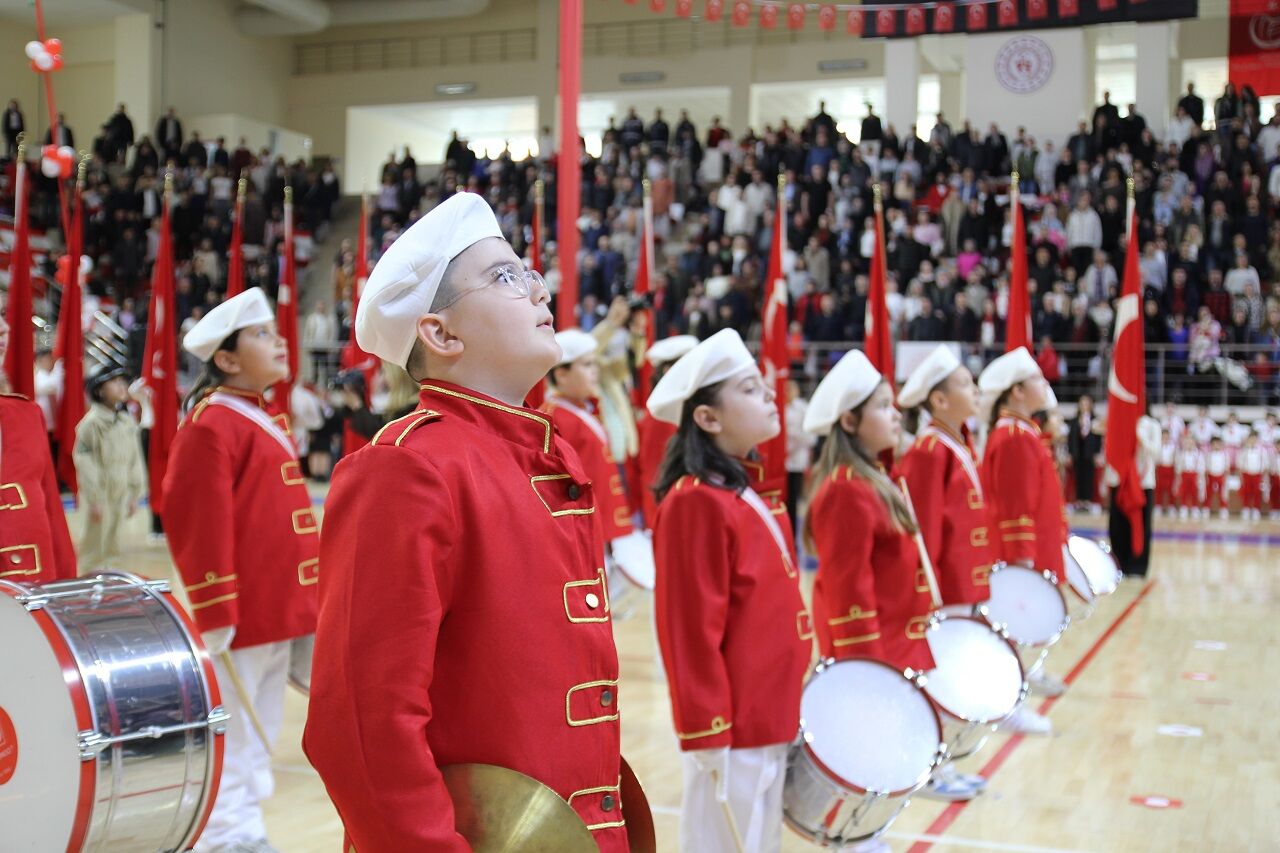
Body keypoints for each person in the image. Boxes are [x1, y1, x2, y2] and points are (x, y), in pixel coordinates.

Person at [304, 193, 630, 851]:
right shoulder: (407, 468)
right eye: (505, 277)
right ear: (441, 334)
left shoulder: (544, 450)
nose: (538, 289)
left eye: (528, 272)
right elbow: (361, 727)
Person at [162, 288, 320, 853]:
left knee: (261, 723)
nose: (278, 340)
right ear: (225, 360)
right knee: (231, 723)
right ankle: (224, 834)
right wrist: (215, 612)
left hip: (280, 608)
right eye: (260, 335)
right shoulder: (212, 425)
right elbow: (196, 520)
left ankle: (242, 826)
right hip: (242, 612)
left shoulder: (254, 415)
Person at [646, 328, 811, 853]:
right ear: (707, 418)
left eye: (764, 386)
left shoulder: (745, 494)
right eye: (748, 389)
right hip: (733, 724)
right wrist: (706, 730)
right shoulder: (696, 502)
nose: (768, 396)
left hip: (769, 711)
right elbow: (690, 630)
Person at [978, 347, 1064, 733]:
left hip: (1031, 547)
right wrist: (1023, 561)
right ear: (1015, 391)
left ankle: (1019, 686)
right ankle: (1008, 704)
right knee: (1011, 625)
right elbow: (1014, 507)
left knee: (1019, 626)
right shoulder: (1013, 435)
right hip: (1018, 552)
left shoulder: (1022, 430)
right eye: (1035, 378)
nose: (1044, 382)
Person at [544, 328, 650, 603]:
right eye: (587, 365)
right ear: (562, 373)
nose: (595, 372)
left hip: (600, 520)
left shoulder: (583, 410)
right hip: (581, 526)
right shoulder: (556, 417)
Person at [0, 311, 77, 583]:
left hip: (33, 583)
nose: (4, 329)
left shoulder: (27, 413)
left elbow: (51, 506)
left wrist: (64, 578)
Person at [73, 365, 146, 572]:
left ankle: (111, 581)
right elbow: (84, 462)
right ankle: (89, 581)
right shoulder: (91, 424)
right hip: (100, 492)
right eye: (113, 382)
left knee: (115, 540)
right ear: (99, 390)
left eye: (122, 381)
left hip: (121, 490)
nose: (121, 386)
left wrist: (134, 492)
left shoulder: (125, 422)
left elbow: (134, 459)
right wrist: (94, 498)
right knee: (94, 542)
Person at [635, 334, 699, 529]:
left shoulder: (683, 406)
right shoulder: (661, 415)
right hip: (672, 514)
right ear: (669, 370)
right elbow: (655, 474)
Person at [1107, 404, 1161, 577]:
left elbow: (1156, 453)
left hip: (1143, 483)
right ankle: (1119, 564)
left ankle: (1138, 567)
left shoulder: (1152, 425)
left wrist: (1141, 437)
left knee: (1141, 526)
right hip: (1120, 481)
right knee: (1117, 525)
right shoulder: (1118, 422)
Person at [1068, 394, 1103, 513]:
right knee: (1078, 477)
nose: (1084, 405)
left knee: (1089, 477)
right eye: (1082, 403)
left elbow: (1098, 438)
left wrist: (1098, 453)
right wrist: (1070, 452)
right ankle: (1079, 500)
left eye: (1086, 403)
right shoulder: (1074, 420)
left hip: (1090, 453)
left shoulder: (1095, 419)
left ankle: (1087, 501)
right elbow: (1071, 438)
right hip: (1078, 452)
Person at [1175, 432, 1204, 520]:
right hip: (1184, 474)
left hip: (1194, 475)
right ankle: (1184, 508)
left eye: (1191, 442)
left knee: (1194, 492)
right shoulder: (1181, 454)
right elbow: (1178, 465)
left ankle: (1195, 508)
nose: (1189, 444)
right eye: (1187, 442)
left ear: (1195, 443)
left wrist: (1200, 477)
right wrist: (1178, 476)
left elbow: (1201, 466)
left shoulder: (1199, 454)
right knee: (1184, 492)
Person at [1238, 432, 1265, 521]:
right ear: (1248, 439)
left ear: (1257, 440)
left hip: (1257, 474)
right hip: (1247, 474)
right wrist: (1241, 475)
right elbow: (1240, 463)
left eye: (1254, 439)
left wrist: (1263, 476)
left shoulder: (1261, 450)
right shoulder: (1244, 450)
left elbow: (1264, 463)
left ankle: (1256, 509)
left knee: (1256, 492)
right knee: (1246, 492)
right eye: (1251, 439)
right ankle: (1246, 509)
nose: (1253, 441)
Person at [1204, 436, 1229, 519]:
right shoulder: (1208, 455)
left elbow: (1226, 467)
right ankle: (1206, 509)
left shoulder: (1224, 455)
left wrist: (1225, 477)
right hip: (1211, 476)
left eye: (1218, 444)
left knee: (1222, 494)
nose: (1216, 446)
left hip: (1221, 476)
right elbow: (1206, 467)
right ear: (1211, 445)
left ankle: (1223, 509)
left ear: (1221, 445)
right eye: (1214, 444)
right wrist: (1207, 476)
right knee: (1209, 493)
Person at [1155, 428, 1177, 515]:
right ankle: (1158, 506)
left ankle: (1171, 506)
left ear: (1169, 437)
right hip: (1161, 468)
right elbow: (1156, 459)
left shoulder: (1173, 447)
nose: (1165, 438)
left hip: (1169, 468)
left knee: (1169, 489)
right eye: (1163, 436)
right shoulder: (1158, 447)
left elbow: (1174, 459)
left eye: (1167, 436)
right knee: (1159, 488)